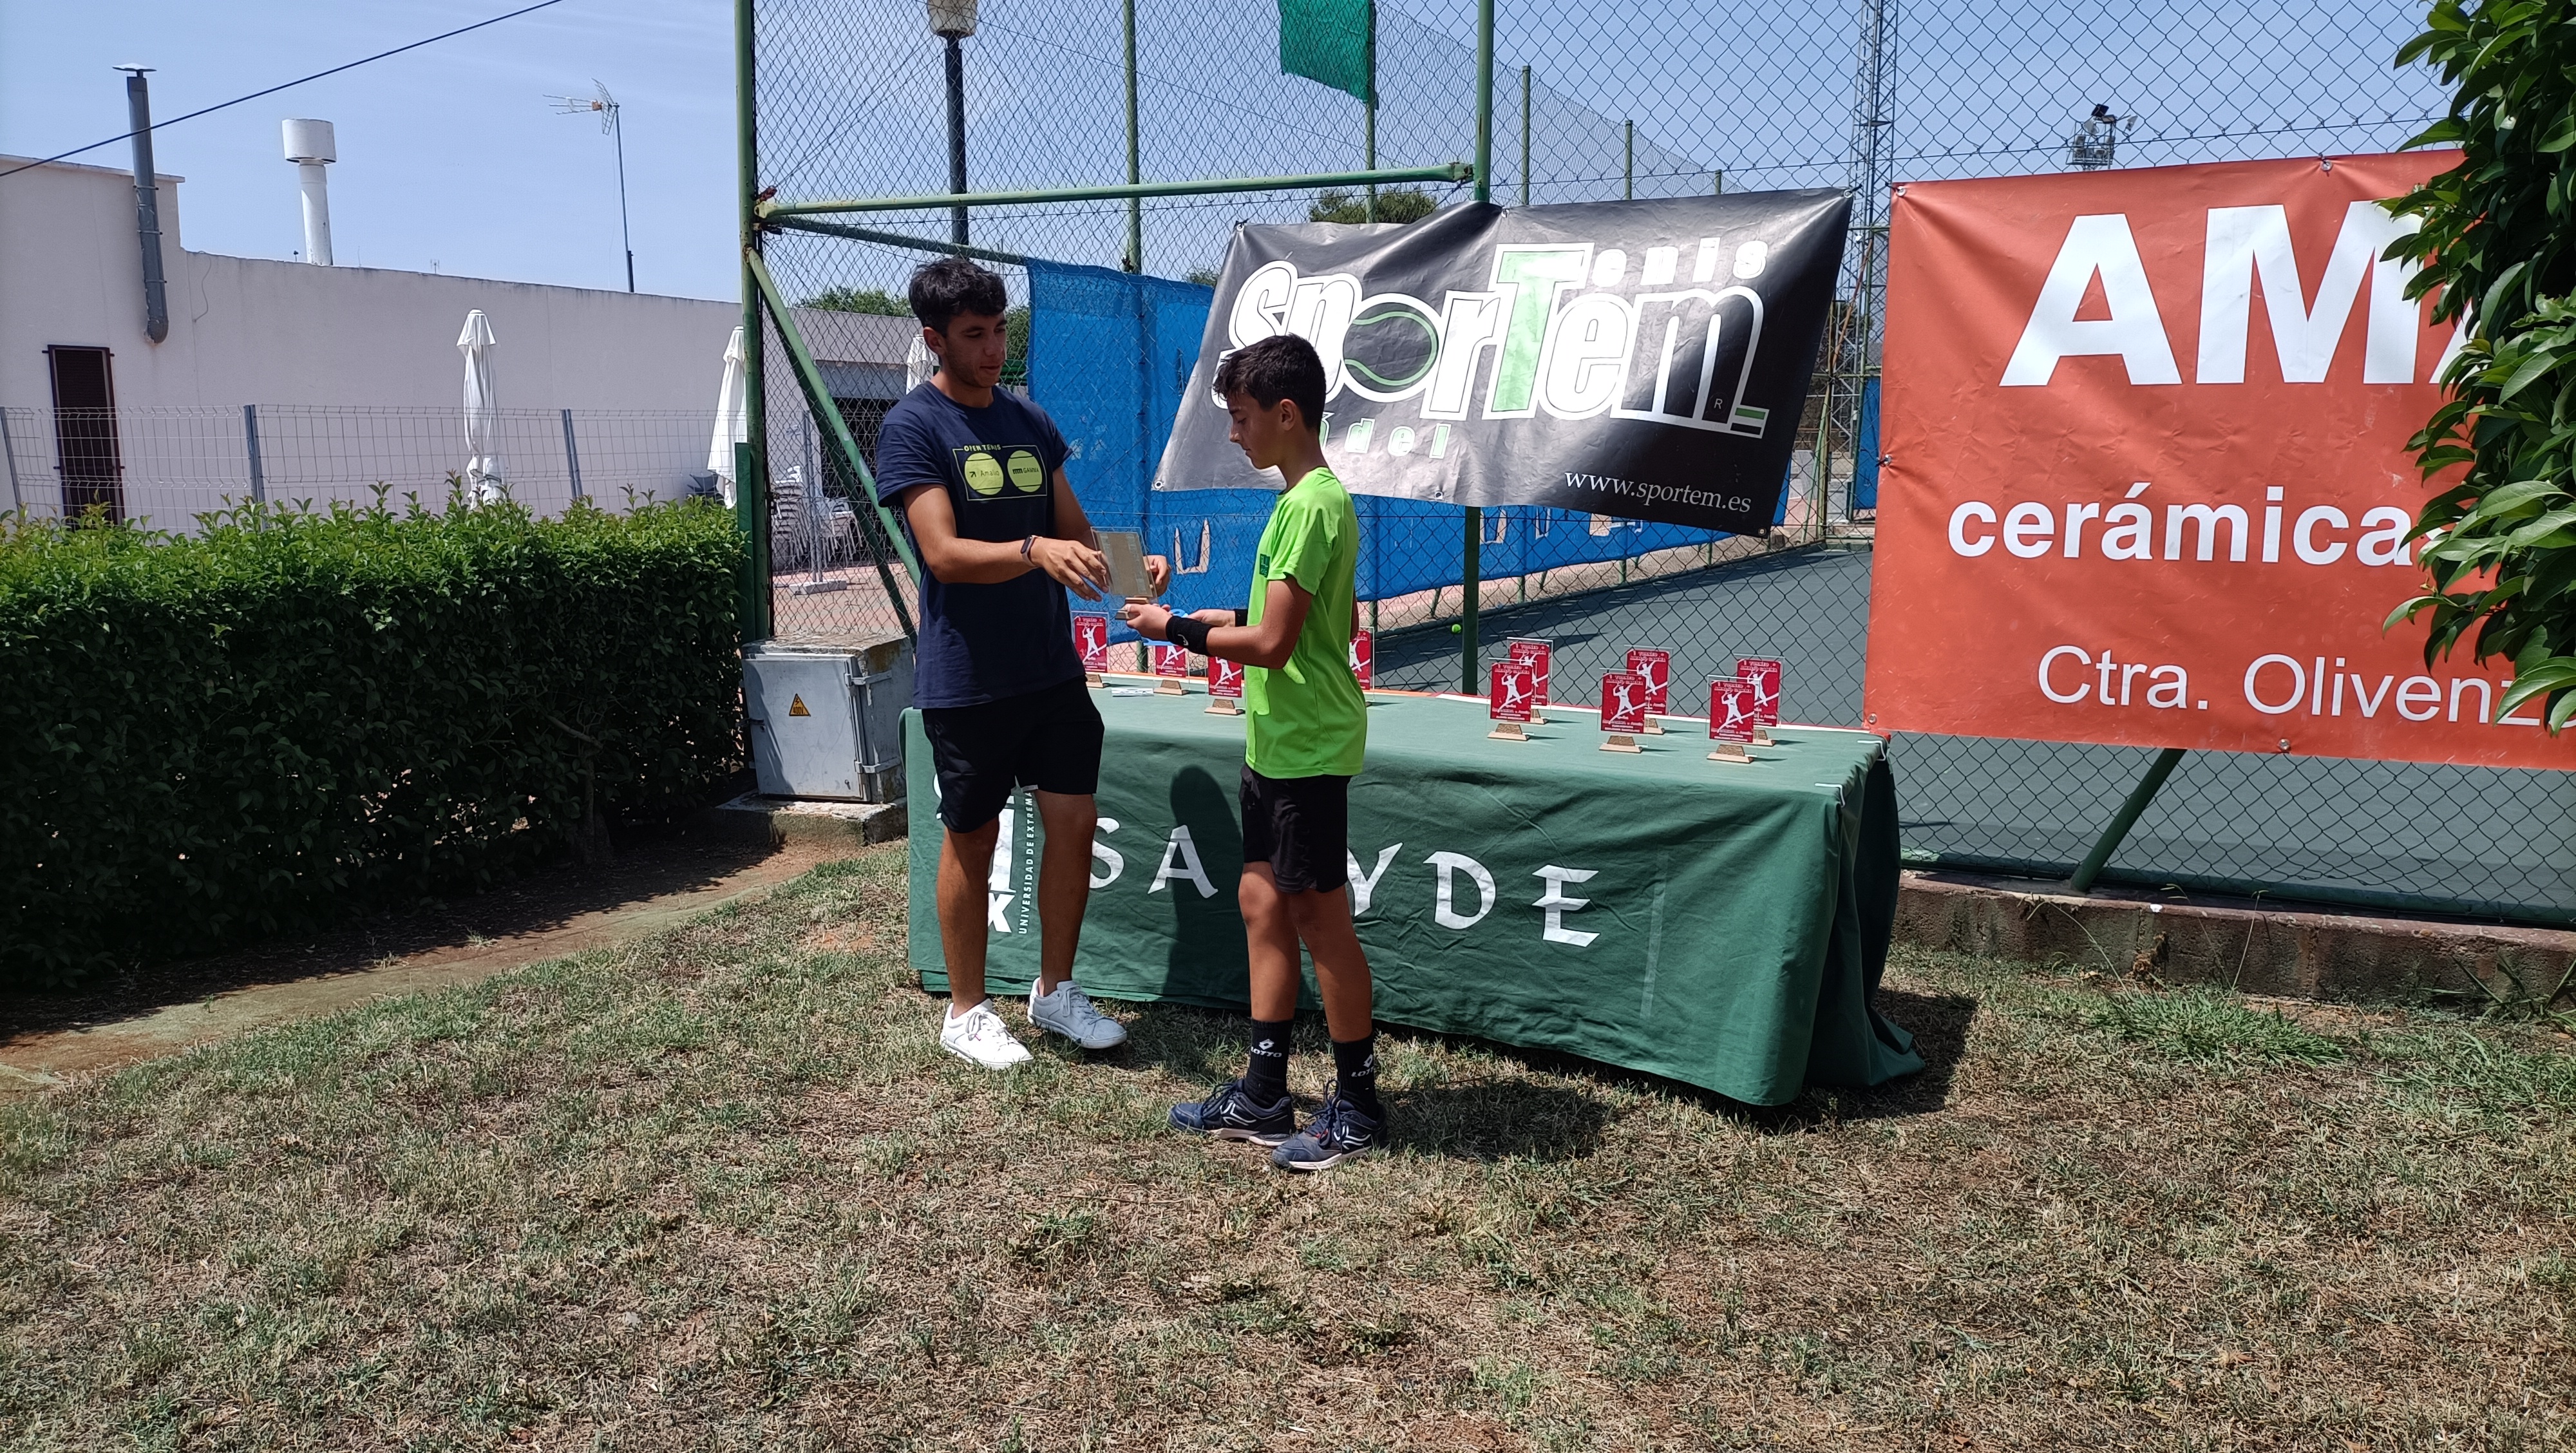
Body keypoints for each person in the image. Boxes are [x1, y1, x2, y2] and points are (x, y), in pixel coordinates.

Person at [873, 257, 1168, 1070]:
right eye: (974, 334)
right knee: (973, 837)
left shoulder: (1029, 418)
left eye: (1001, 329)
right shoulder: (912, 426)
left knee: (1074, 822)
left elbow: (1075, 531)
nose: (994, 348)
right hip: (968, 676)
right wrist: (1033, 549)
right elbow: (942, 553)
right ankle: (966, 1012)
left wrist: (1135, 572)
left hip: (1051, 672)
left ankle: (1055, 991)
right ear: (935, 339)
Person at [1124, 333, 1382, 1173]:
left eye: (1241, 418)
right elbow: (1317, 623)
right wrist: (1205, 617)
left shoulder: (1311, 506)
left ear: (1287, 414)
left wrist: (1177, 629)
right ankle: (1265, 1095)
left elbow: (1272, 645)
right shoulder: (1304, 501)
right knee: (1261, 901)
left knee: (1320, 921)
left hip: (1309, 747)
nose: (1234, 435)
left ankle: (1359, 1106)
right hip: (1276, 744)